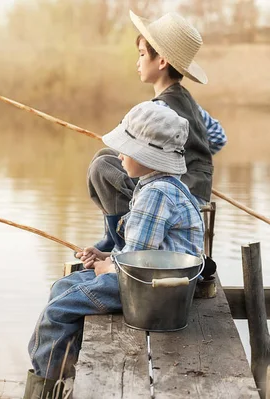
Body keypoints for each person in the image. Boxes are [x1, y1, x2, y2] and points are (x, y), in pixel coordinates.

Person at [22, 101, 204, 399]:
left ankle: (44, 390)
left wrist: (108, 268)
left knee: (57, 310)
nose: (119, 154)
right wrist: (105, 256)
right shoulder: (161, 185)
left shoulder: (155, 194)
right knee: (63, 287)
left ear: (150, 157)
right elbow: (144, 250)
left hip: (153, 292)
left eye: (127, 149)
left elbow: (134, 267)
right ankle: (66, 373)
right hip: (158, 282)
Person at [89, 10, 227, 252]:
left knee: (102, 168)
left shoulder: (159, 110)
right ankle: (114, 234)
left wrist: (172, 165)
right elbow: (217, 136)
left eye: (142, 54)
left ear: (161, 61)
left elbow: (146, 155)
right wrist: (190, 161)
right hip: (194, 190)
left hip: (174, 195)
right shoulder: (190, 103)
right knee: (105, 156)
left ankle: (121, 238)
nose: (138, 62)